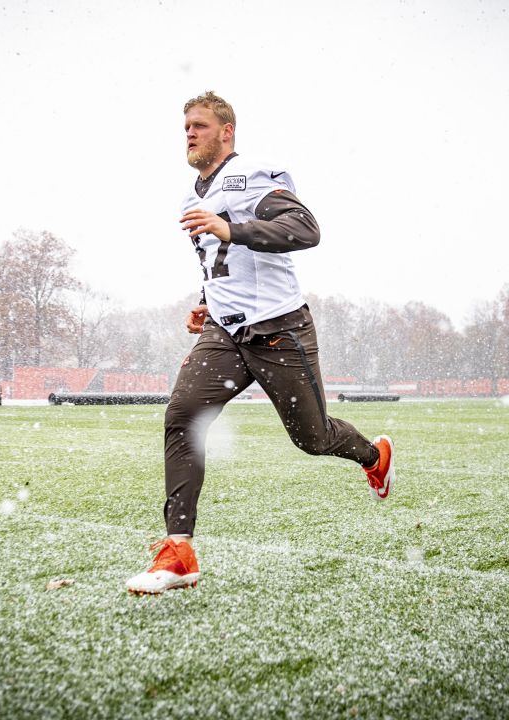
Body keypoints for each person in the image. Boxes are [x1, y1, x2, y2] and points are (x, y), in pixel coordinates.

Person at [125, 93, 395, 594]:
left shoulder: (251, 174)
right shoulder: (191, 197)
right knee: (183, 416)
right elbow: (220, 260)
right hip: (224, 334)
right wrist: (207, 300)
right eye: (185, 126)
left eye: (200, 125)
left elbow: (304, 229)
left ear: (226, 131)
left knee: (312, 438)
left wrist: (233, 226)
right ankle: (179, 550)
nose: (189, 133)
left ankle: (372, 456)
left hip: (278, 329)